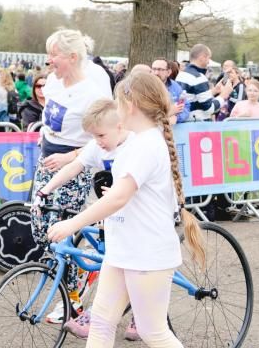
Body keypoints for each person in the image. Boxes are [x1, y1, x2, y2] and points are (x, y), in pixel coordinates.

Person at [47, 72, 204, 347]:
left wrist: (72, 224)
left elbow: (118, 197)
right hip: (124, 250)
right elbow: (122, 197)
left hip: (146, 253)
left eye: (117, 103)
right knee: (101, 323)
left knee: (152, 331)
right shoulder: (140, 141)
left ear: (129, 105)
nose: (115, 109)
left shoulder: (145, 145)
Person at [31, 99, 133, 338]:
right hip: (118, 213)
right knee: (110, 263)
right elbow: (74, 167)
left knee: (153, 324)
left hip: (140, 218)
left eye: (100, 136)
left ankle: (136, 315)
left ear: (119, 126)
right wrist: (45, 190)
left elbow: (129, 193)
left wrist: (122, 195)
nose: (97, 142)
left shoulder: (135, 147)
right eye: (93, 137)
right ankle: (97, 313)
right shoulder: (100, 145)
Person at [29, 29, 104, 298]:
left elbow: (102, 140)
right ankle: (80, 272)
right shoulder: (52, 81)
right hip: (46, 161)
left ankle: (71, 296)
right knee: (39, 226)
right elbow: (50, 119)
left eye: (54, 55)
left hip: (74, 166)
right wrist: (44, 136)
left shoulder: (92, 94)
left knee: (62, 233)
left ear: (72, 57)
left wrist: (69, 157)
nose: (49, 61)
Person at [175, 44, 233, 121]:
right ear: (202, 57)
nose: (208, 62)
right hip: (197, 125)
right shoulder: (198, 77)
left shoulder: (181, 74)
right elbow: (209, 108)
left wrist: (214, 91)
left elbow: (195, 97)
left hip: (185, 122)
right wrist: (224, 95)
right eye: (208, 58)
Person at [151, 58, 189, 125]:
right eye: (154, 69)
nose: (156, 73)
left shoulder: (175, 86)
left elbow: (185, 106)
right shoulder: (145, 87)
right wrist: (168, 114)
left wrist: (177, 118)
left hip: (172, 129)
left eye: (160, 70)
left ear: (168, 72)